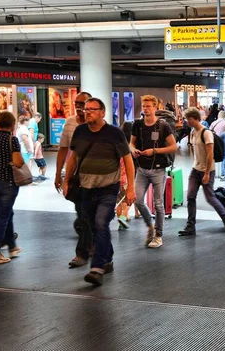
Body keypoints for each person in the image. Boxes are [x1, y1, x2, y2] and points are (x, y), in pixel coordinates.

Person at [63, 97, 136, 286]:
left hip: (108, 188)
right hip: (85, 187)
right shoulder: (80, 131)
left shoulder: (114, 133)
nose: (87, 112)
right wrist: (65, 180)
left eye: (92, 109)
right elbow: (73, 157)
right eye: (86, 109)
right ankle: (108, 258)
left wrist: (130, 188)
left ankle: (97, 267)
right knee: (94, 226)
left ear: (103, 112)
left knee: (101, 222)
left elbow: (128, 161)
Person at [130, 95, 178, 249]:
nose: (145, 109)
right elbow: (131, 143)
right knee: (137, 201)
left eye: (148, 106)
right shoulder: (137, 124)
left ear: (155, 107)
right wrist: (133, 150)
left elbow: (173, 147)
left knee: (158, 204)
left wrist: (154, 151)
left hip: (158, 170)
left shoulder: (163, 126)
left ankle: (158, 235)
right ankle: (150, 226)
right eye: (143, 106)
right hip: (142, 169)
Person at [178, 107, 225, 236]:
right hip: (195, 169)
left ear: (196, 118)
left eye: (189, 119)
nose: (187, 122)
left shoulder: (206, 133)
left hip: (207, 170)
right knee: (190, 197)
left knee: (210, 197)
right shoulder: (192, 132)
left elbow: (210, 155)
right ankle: (190, 226)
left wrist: (207, 173)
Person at [54, 91, 93, 268]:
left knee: (89, 216)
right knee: (83, 213)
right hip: (78, 177)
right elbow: (65, 150)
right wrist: (59, 175)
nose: (78, 106)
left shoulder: (99, 126)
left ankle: (86, 251)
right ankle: (88, 247)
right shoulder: (70, 123)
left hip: (97, 178)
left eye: (82, 103)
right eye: (76, 103)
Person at [0, 112, 24, 265]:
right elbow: (18, 162)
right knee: (2, 217)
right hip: (8, 183)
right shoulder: (12, 139)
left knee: (5, 214)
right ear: (12, 124)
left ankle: (12, 246)